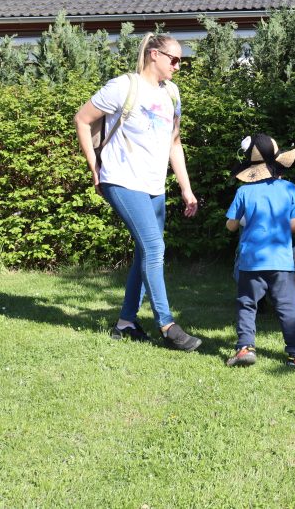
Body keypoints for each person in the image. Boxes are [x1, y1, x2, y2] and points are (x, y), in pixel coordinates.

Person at [73, 33, 202, 351]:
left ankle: (126, 323)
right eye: (174, 59)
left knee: (146, 252)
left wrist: (186, 189)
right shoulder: (123, 87)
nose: (178, 66)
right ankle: (167, 325)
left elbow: (174, 143)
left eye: (181, 61)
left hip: (153, 185)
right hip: (121, 180)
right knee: (155, 247)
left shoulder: (172, 93)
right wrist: (94, 167)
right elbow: (82, 119)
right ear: (154, 54)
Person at [224, 134, 295, 367]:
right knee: (287, 308)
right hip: (281, 261)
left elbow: (231, 225)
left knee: (247, 305)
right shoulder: (289, 188)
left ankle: (244, 348)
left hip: (251, 260)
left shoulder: (244, 192)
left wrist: (239, 220)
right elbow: (294, 224)